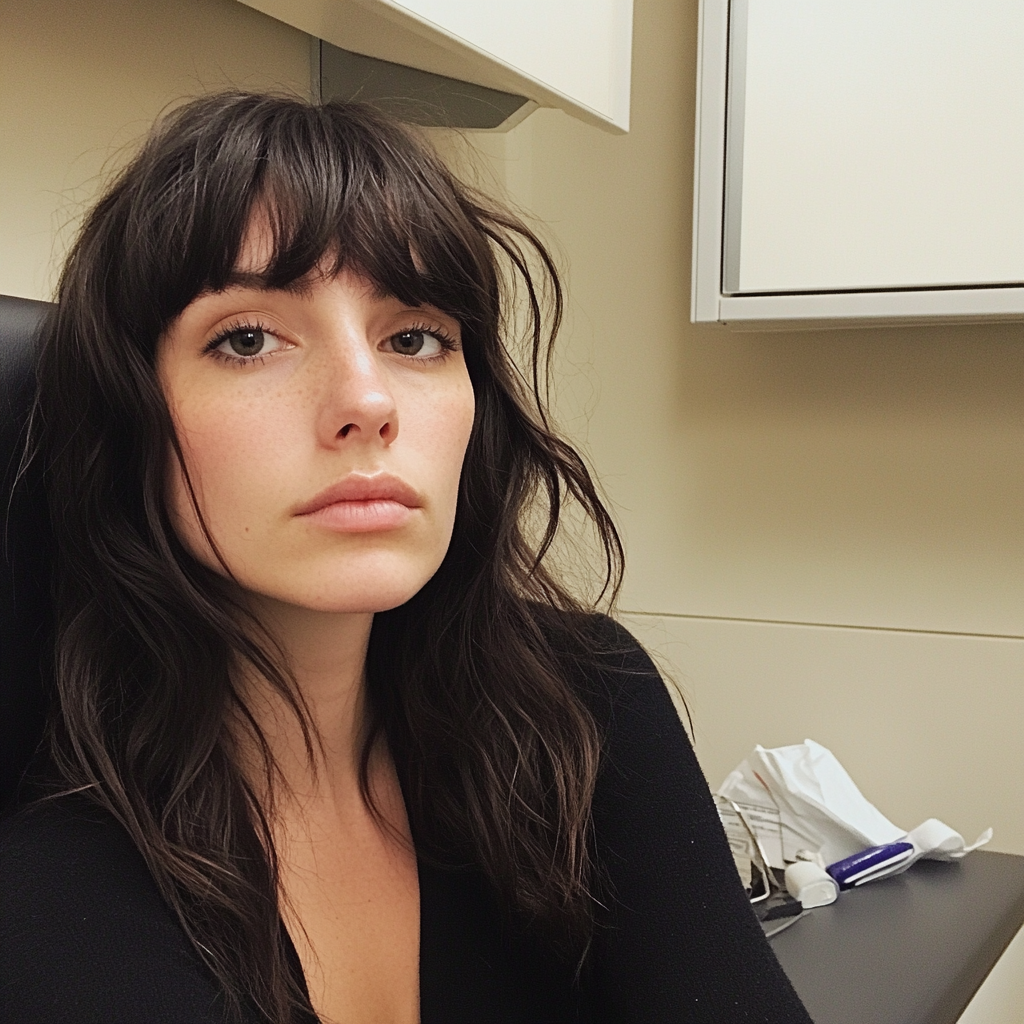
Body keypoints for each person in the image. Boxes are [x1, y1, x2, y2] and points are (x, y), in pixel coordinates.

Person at [0, 93, 812, 1024]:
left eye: (415, 337)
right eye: (249, 337)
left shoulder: (582, 713)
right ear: (128, 419)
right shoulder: (53, 908)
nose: (367, 398)